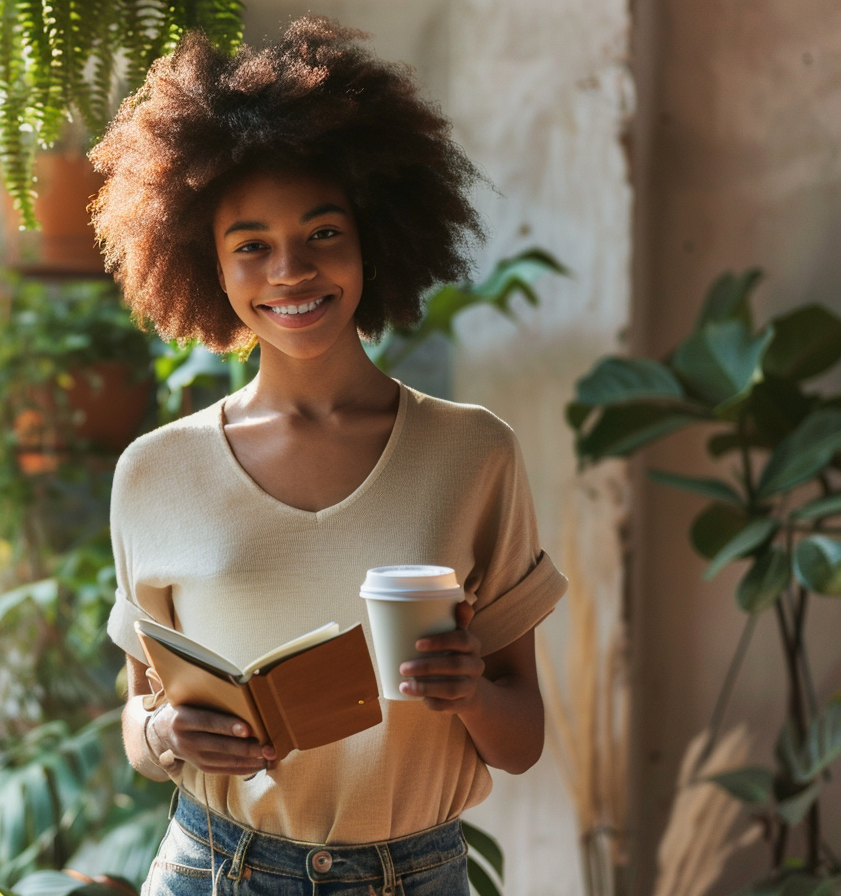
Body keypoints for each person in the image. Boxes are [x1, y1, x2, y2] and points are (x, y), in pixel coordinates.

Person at [90, 17, 568, 896]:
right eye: (251, 247)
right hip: (212, 867)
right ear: (210, 266)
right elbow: (138, 716)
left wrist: (467, 691)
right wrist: (164, 736)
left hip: (414, 873)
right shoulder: (153, 473)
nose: (290, 273)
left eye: (321, 233)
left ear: (372, 238)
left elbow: (523, 739)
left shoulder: (474, 454)